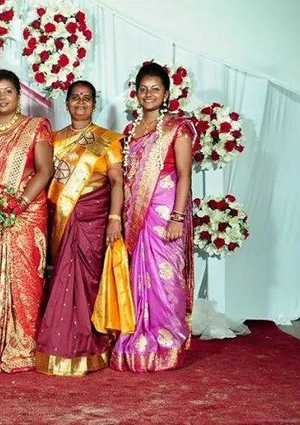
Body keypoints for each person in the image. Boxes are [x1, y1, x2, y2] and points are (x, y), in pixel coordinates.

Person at [35, 80, 130, 377]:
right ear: (66, 104)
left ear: (94, 104)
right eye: (75, 97)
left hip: (95, 217)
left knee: (89, 282)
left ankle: (92, 346)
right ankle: (61, 346)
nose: (81, 102)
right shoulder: (54, 139)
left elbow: (117, 181)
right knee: (63, 280)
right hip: (63, 220)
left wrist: (114, 219)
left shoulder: (108, 140)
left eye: (87, 98)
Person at [0, 69, 54, 375]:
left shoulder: (35, 127)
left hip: (27, 214)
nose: (2, 97)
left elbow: (45, 170)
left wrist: (18, 204)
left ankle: (24, 349)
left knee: (27, 282)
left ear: (18, 95)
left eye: (8, 91)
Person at [111, 62, 196, 372]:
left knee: (165, 275)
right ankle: (138, 338)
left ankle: (168, 343)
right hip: (135, 213)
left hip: (164, 211)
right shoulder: (130, 131)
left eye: (155, 89)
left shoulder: (177, 128)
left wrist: (177, 217)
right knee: (137, 277)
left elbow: (184, 175)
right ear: (136, 93)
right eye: (143, 89)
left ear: (166, 93)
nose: (148, 94)